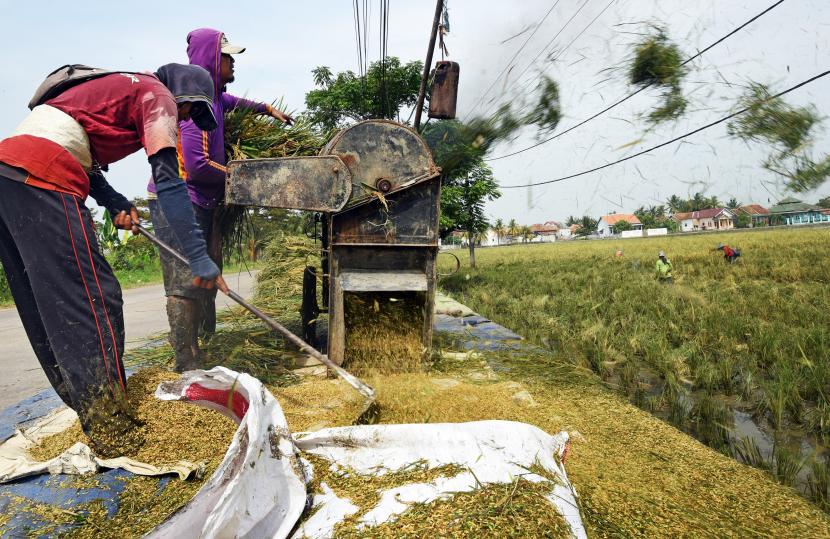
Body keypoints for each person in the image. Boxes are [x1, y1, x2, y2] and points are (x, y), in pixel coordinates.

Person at [0, 63, 227, 452]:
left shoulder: (118, 88)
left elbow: (80, 154)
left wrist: (117, 202)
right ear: (184, 96)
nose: (185, 119)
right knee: (94, 300)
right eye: (190, 111)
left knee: (48, 302)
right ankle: (112, 430)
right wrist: (198, 258)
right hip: (44, 174)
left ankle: (87, 407)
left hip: (9, 171)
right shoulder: (159, 96)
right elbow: (171, 184)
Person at [148, 28, 293, 372]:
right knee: (185, 280)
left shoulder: (214, 98)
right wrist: (244, 177)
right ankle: (186, 360)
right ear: (213, 59)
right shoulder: (194, 107)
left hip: (203, 202)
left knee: (208, 273)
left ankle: (205, 344)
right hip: (179, 199)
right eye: (228, 57)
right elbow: (197, 167)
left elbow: (234, 102)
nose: (233, 64)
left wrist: (266, 109)